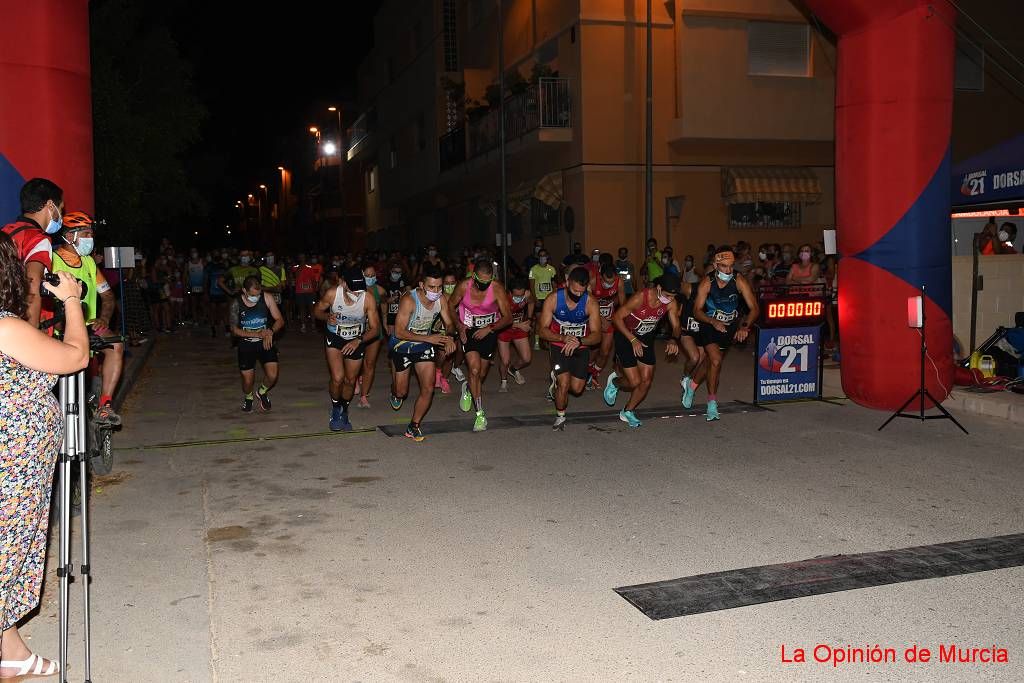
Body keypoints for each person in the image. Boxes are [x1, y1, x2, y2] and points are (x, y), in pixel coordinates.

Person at [0, 235, 89, 679]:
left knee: (14, 553)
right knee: (8, 553)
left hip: (18, 462)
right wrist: (72, 301)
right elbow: (75, 357)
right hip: (12, 467)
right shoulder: (4, 328)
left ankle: (11, 651)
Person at [50, 212, 126, 426]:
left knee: (116, 345)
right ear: (69, 236)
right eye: (85, 234)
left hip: (89, 326)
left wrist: (103, 318)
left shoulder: (89, 263)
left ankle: (105, 405)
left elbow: (108, 296)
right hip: (60, 329)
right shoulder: (51, 260)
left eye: (91, 234)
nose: (89, 239)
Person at [603, 273, 682, 427]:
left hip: (646, 337)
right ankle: (615, 382)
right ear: (659, 288)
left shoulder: (671, 302)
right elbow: (617, 318)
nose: (670, 299)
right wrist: (632, 340)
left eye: (673, 296)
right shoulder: (640, 297)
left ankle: (628, 411)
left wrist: (674, 339)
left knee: (645, 381)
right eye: (667, 295)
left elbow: (677, 326)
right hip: (626, 335)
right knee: (634, 382)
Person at [388, 266, 457, 441]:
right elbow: (398, 332)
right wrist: (429, 339)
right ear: (421, 284)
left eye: (439, 287)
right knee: (402, 392)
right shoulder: (409, 300)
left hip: (423, 346)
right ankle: (394, 391)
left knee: (428, 388)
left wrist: (449, 337)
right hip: (402, 345)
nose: (436, 291)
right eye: (432, 287)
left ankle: (413, 426)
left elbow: (449, 324)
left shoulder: (441, 299)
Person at [692, 247, 759, 421]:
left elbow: (754, 309)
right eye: (724, 266)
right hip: (708, 324)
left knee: (710, 362)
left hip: (729, 327)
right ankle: (712, 403)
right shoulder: (707, 282)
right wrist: (713, 321)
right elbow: (697, 310)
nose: (728, 270)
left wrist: (744, 327)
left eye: (731, 266)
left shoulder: (739, 280)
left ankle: (691, 385)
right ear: (715, 265)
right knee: (715, 360)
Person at [449, 258, 511, 432]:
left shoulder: (497, 288)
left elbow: (508, 317)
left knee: (481, 374)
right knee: (474, 370)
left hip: (489, 332)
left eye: (488, 281)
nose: (485, 284)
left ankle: (468, 388)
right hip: (469, 330)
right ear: (474, 276)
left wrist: (489, 328)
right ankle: (480, 415)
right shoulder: (463, 286)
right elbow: (450, 305)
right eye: (482, 281)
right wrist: (459, 326)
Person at [314, 268, 381, 431]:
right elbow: (317, 311)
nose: (357, 295)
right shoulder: (332, 294)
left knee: (350, 380)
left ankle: (344, 408)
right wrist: (326, 317)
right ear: (343, 283)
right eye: (353, 291)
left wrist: (358, 340)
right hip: (335, 337)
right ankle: (336, 408)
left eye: (360, 291)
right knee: (338, 378)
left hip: (356, 339)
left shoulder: (368, 299)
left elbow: (375, 328)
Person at [538, 267, 602, 429]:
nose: (577, 295)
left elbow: (597, 336)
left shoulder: (591, 302)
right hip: (558, 345)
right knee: (564, 384)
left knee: (577, 389)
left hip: (580, 347)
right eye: (574, 290)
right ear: (567, 282)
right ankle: (561, 416)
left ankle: (557, 382)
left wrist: (579, 341)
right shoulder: (553, 299)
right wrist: (562, 337)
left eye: (581, 292)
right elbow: (542, 331)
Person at [2, 178, 64, 329]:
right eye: (61, 209)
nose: (61, 215)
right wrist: (33, 330)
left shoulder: (5, 232)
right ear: (50, 205)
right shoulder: (38, 239)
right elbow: (33, 281)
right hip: (21, 324)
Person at [230, 276, 284, 413]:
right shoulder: (236, 304)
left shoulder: (267, 298)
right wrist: (256, 334)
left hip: (265, 341)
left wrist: (270, 331)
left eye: (258, 295)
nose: (256, 298)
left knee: (272, 375)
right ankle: (248, 397)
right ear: (244, 291)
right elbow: (234, 330)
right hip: (246, 345)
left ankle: (262, 391)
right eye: (253, 295)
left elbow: (279, 320)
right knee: (248, 382)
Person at [354, 262, 387, 408]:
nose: (370, 278)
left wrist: (386, 324)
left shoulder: (380, 291)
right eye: (366, 275)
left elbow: (384, 307)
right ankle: (354, 380)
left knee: (370, 363)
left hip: (374, 331)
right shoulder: (353, 290)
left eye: (372, 275)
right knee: (355, 362)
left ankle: (364, 395)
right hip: (356, 331)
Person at [589, 263, 626, 390]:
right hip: (592, 319)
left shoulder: (619, 282)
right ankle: (587, 372)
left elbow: (623, 304)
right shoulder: (593, 282)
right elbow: (586, 304)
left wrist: (624, 319)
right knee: (593, 350)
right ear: (600, 276)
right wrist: (599, 318)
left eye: (612, 282)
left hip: (609, 320)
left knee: (605, 352)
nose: (609, 284)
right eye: (606, 282)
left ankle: (594, 375)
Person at [496, 277, 534, 392]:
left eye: (521, 295)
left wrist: (530, 319)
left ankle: (514, 369)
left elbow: (532, 303)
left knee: (527, 359)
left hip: (519, 328)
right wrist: (520, 325)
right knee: (505, 360)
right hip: (504, 330)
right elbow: (499, 322)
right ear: (510, 292)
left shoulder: (526, 295)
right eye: (516, 296)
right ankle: (504, 382)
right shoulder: (503, 299)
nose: (519, 298)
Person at [528, 248, 557, 351]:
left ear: (547, 256)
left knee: (549, 322)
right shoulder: (533, 269)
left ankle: (546, 341)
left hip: (549, 299)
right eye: (540, 256)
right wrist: (535, 299)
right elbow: (531, 285)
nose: (542, 257)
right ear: (538, 257)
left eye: (544, 255)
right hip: (539, 298)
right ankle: (537, 342)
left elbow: (554, 284)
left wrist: (555, 296)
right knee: (540, 321)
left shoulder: (552, 269)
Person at [292, 253, 322, 333]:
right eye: (300, 257)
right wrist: (299, 267)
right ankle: (303, 325)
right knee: (302, 309)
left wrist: (315, 291)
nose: (302, 258)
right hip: (299, 291)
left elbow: (313, 280)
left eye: (303, 257)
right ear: (298, 258)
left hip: (309, 291)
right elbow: (294, 275)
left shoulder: (310, 267)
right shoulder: (295, 267)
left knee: (311, 308)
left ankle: (313, 325)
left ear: (305, 258)